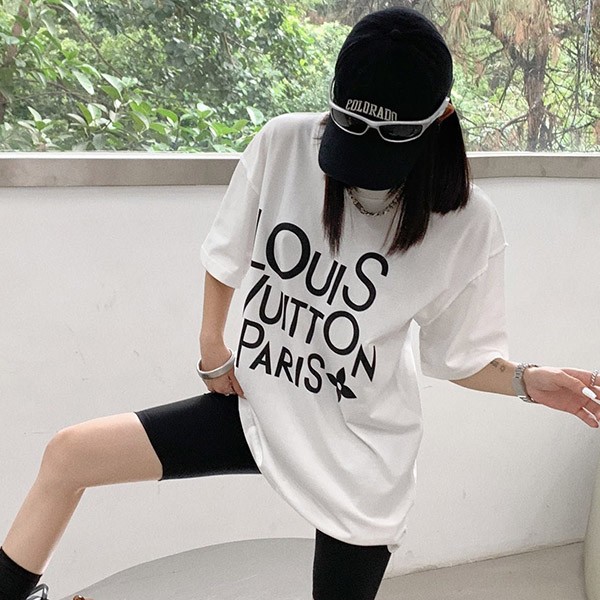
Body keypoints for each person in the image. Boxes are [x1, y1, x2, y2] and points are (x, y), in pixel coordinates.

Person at [1, 7, 599, 600]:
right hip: (258, 409)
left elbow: (456, 357)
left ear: (440, 117)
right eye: (351, 125)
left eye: (392, 137)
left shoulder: (465, 223)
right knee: (68, 455)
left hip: (359, 459)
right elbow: (225, 253)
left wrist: (524, 380)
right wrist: (212, 346)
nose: (364, 156)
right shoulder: (285, 145)